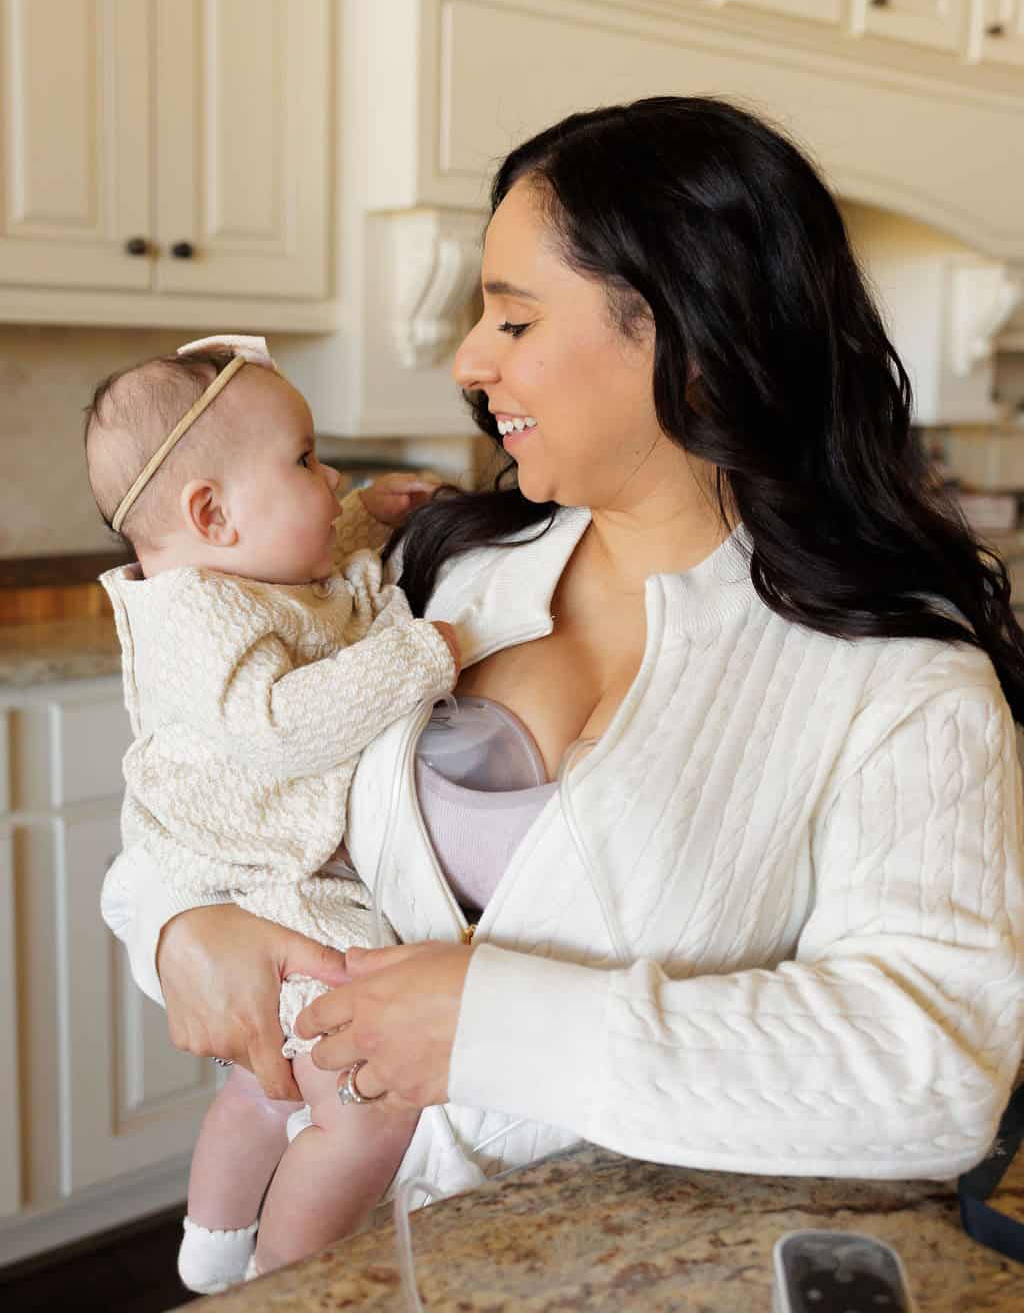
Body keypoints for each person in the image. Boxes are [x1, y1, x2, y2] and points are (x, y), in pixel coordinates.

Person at [103, 97, 1024, 1231]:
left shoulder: (904, 680)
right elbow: (202, 785)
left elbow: (934, 1067)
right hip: (333, 1254)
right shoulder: (431, 568)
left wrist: (492, 1025)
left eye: (515, 319)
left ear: (692, 338)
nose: (468, 359)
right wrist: (176, 928)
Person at [86, 335, 462, 1290]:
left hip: (255, 875)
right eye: (305, 460)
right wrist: (422, 656)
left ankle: (212, 1247)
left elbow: (303, 565)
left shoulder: (230, 572)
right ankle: (284, 1279)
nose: (330, 477)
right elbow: (283, 723)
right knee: (363, 1106)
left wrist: (364, 514)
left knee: (269, 1090)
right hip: (258, 880)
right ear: (210, 514)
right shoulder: (196, 617)